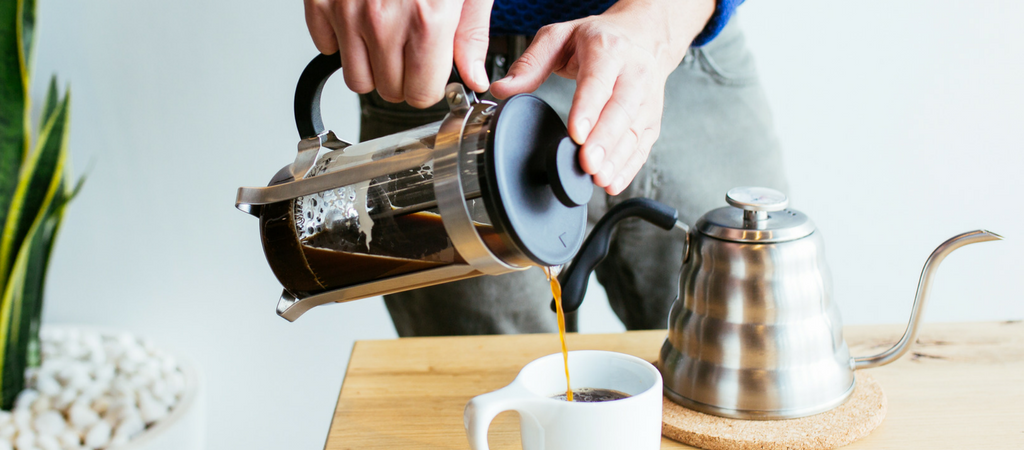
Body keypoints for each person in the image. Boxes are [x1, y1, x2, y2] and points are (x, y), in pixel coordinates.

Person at [302, 0, 788, 335]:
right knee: (492, 413)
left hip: (681, 46)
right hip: (445, 75)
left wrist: (660, 23)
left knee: (757, 370)